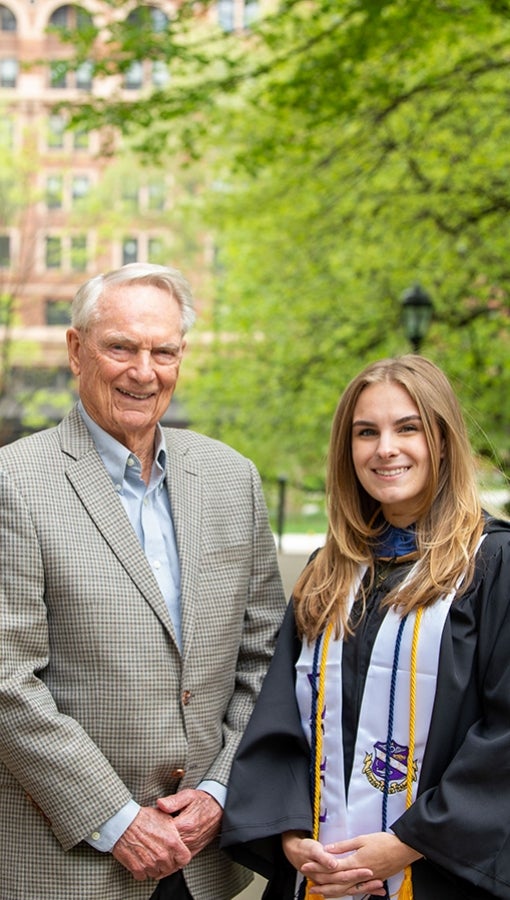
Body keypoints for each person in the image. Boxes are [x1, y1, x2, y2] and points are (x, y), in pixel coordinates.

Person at [0, 262, 286, 900]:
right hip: (66, 862)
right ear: (77, 351)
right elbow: (6, 679)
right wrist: (117, 819)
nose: (143, 370)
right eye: (121, 347)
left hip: (204, 860)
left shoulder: (230, 477)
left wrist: (220, 789)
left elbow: (266, 652)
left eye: (163, 351)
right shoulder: (13, 482)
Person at [221, 354, 510, 900]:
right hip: (317, 877)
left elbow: (504, 738)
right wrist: (290, 833)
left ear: (443, 440)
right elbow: (279, 716)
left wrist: (408, 841)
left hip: (436, 875)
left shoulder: (493, 565)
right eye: (365, 432)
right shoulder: (327, 572)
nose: (385, 448)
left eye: (408, 428)